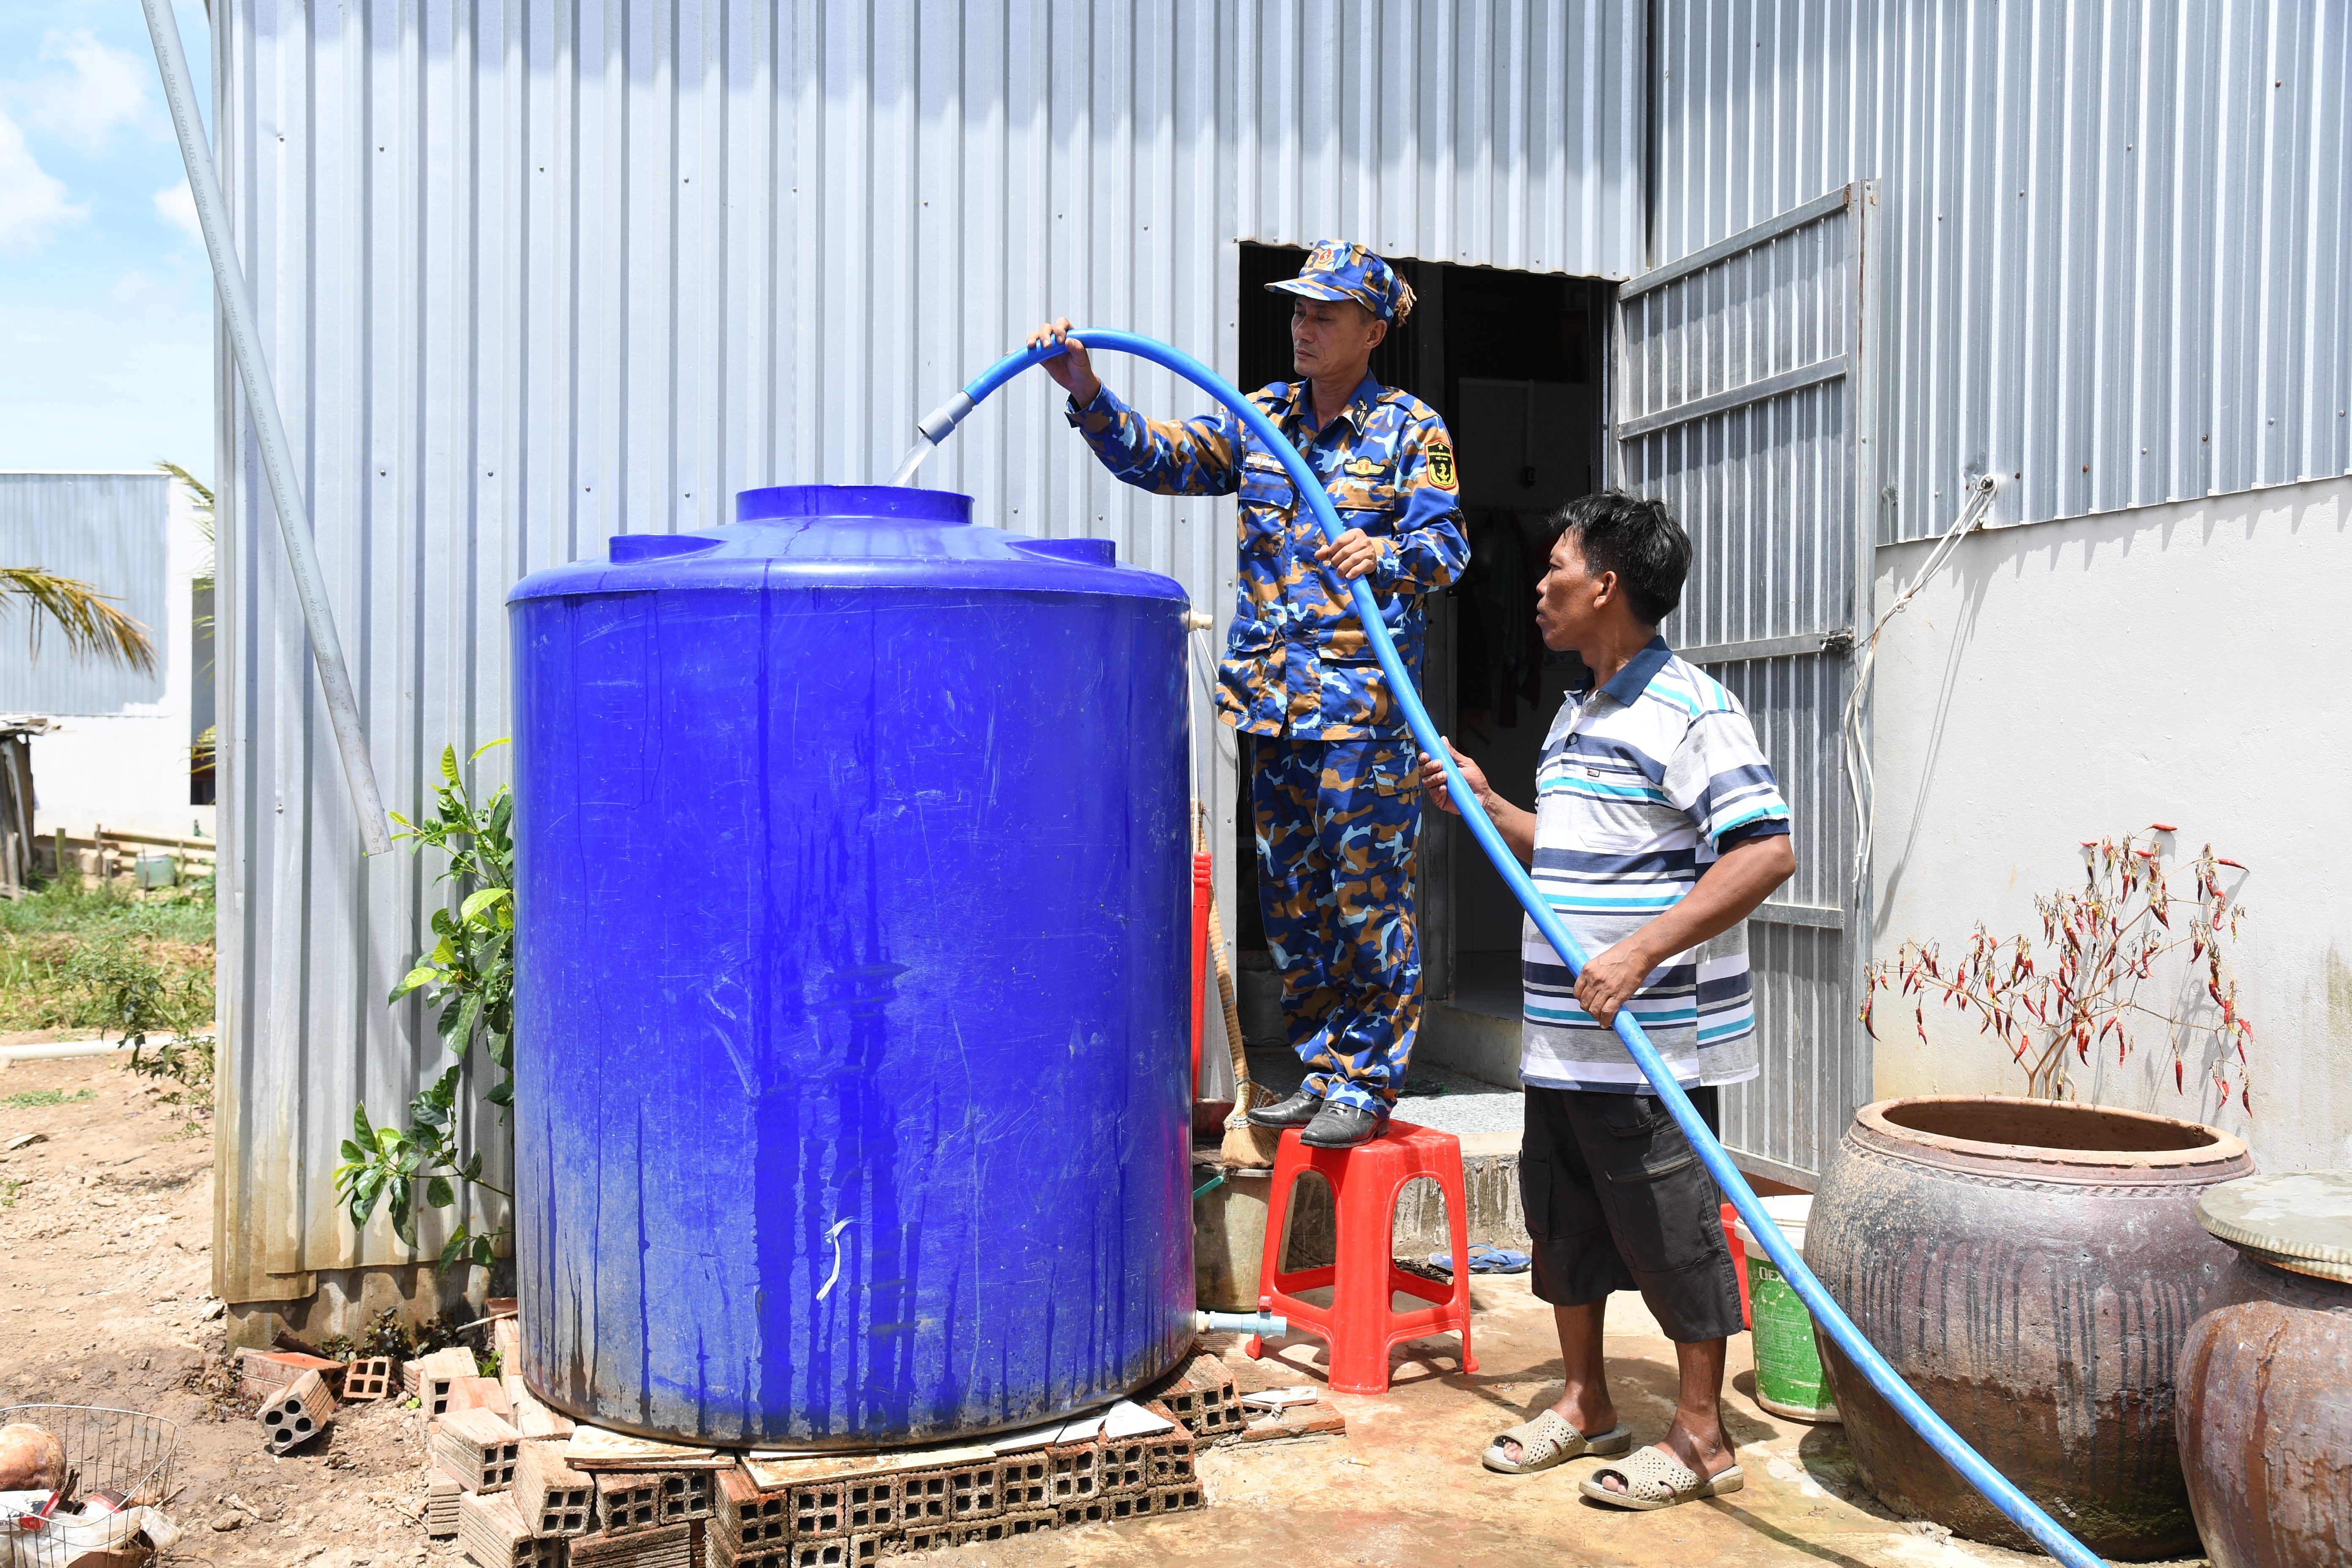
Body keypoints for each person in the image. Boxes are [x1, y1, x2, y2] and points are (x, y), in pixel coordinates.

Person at [1029, 242, 1467, 1149]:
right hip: (1274, 707)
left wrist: (1385, 555)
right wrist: (1086, 391)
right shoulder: (1262, 417)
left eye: (1326, 315)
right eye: (1299, 312)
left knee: (1366, 903)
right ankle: (1318, 1070)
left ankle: (1367, 1076)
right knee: (1293, 904)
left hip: (1362, 719)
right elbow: (1162, 459)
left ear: (1372, 330)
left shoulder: (1409, 430)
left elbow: (1448, 551)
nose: (1303, 328)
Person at [1418, 491, 1795, 1511]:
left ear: (1608, 584)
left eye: (1557, 568)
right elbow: (1579, 847)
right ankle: (1586, 1403)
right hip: (1564, 1042)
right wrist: (1491, 806)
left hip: (1651, 1042)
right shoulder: (1577, 708)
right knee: (1565, 1227)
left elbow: (1767, 848)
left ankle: (1704, 1433)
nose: (1537, 586)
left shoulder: (1693, 709)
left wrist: (1639, 951)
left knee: (1673, 1230)